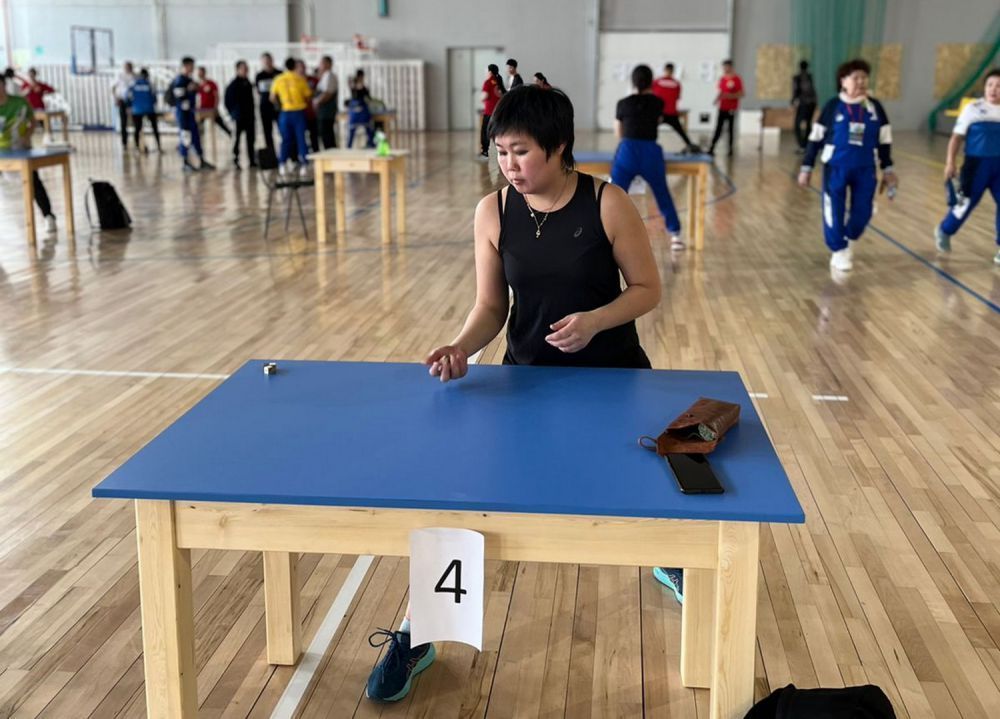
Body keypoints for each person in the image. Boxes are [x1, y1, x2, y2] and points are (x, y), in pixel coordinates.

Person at [364, 84, 661, 703]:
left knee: (643, 495)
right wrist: (460, 347)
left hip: (612, 381)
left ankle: (672, 555)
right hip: (525, 382)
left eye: (521, 152)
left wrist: (595, 321)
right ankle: (420, 634)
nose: (509, 165)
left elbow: (646, 289)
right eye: (500, 153)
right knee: (465, 503)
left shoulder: (608, 203)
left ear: (559, 146)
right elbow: (490, 306)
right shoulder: (493, 211)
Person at [799, 59, 897, 272]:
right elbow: (815, 138)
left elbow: (885, 140)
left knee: (864, 211)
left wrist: (888, 169)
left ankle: (849, 237)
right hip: (835, 168)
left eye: (864, 77)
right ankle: (839, 250)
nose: (861, 82)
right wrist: (806, 167)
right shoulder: (833, 106)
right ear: (843, 81)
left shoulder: (875, 107)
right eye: (856, 78)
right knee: (833, 211)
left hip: (866, 168)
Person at [612, 65, 684, 250]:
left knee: (613, 194)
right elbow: (657, 121)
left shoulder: (623, 103)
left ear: (633, 82)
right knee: (662, 193)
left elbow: (618, 132)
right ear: (651, 82)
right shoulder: (658, 103)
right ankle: (675, 235)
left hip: (628, 151)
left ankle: (604, 234)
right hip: (651, 152)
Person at [935, 68, 1000, 264]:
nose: (994, 89)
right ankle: (945, 230)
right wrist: (950, 162)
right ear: (984, 87)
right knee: (964, 205)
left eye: (999, 86)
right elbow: (956, 138)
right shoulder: (973, 108)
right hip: (976, 166)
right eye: (990, 85)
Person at [0, 80, 57, 232]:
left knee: (34, 182)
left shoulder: (19, 102)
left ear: (3, 85)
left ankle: (48, 216)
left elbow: (32, 120)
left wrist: (27, 136)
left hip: (19, 149)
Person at [169, 56, 214, 172]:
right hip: (183, 114)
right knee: (185, 136)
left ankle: (201, 160)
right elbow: (179, 96)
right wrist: (188, 90)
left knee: (195, 136)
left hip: (190, 113)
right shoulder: (179, 80)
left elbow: (196, 91)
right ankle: (185, 162)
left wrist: (196, 88)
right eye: (191, 66)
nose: (193, 68)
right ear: (186, 66)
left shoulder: (189, 80)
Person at [270, 57, 312, 173]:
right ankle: (304, 164)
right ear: (295, 66)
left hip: (285, 113)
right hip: (298, 113)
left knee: (285, 139)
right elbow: (308, 96)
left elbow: (272, 98)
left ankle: (282, 164)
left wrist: (280, 105)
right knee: (301, 138)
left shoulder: (278, 79)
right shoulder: (300, 79)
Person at [652, 63, 699, 153]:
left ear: (664, 70)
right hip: (671, 112)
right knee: (680, 131)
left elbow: (652, 96)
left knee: (650, 130)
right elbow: (677, 97)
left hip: (659, 113)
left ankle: (648, 145)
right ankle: (690, 145)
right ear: (673, 71)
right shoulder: (676, 84)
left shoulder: (657, 82)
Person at [225, 60, 257, 169]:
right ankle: (235, 160)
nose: (246, 71)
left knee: (251, 139)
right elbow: (228, 101)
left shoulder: (248, 83)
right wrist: (234, 114)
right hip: (238, 117)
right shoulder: (233, 85)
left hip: (250, 116)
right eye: (243, 69)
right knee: (237, 139)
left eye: (247, 69)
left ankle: (252, 160)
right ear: (238, 70)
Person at [708, 59, 743, 156]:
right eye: (724, 67)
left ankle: (730, 149)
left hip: (731, 108)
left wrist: (730, 96)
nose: (725, 69)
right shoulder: (722, 79)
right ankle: (712, 148)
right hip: (722, 107)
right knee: (718, 128)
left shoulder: (737, 79)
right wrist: (716, 99)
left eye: (726, 67)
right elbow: (721, 91)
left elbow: (741, 93)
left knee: (730, 129)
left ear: (731, 67)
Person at [129, 68, 161, 153]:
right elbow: (154, 98)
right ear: (147, 75)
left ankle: (136, 148)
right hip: (149, 109)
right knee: (155, 128)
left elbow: (128, 96)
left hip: (137, 110)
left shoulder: (134, 84)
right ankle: (158, 147)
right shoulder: (150, 84)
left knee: (137, 129)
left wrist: (131, 106)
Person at [196, 66, 232, 138]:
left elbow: (216, 96)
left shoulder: (211, 83)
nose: (199, 74)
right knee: (199, 125)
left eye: (201, 72)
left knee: (220, 122)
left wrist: (215, 106)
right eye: (198, 73)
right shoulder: (197, 85)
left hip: (211, 108)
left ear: (204, 73)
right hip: (202, 109)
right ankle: (199, 139)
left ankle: (230, 134)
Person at [255, 53, 281, 155]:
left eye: (268, 61)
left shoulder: (279, 73)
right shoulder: (259, 76)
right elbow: (259, 91)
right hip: (265, 107)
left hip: (279, 107)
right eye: (265, 61)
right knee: (267, 132)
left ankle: (289, 155)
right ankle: (271, 156)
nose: (267, 63)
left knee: (283, 131)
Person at [791, 60, 818, 153]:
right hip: (812, 103)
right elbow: (813, 91)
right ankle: (806, 145)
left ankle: (802, 145)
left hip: (804, 103)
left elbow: (795, 91)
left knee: (797, 124)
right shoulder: (810, 77)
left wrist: (793, 101)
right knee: (808, 124)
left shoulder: (797, 78)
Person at [479, 64, 505, 158]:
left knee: (485, 131)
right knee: (499, 132)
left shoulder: (488, 82)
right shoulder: (499, 81)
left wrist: (481, 98)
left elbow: (484, 96)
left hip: (489, 112)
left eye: (486, 71)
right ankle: (503, 151)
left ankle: (485, 151)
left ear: (490, 72)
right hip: (498, 112)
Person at [314, 55, 339, 149]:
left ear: (328, 64)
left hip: (327, 111)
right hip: (323, 111)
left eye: (322, 63)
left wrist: (317, 102)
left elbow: (328, 93)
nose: (320, 65)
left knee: (327, 135)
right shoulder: (325, 75)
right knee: (325, 135)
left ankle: (331, 154)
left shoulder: (329, 75)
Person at [111, 61, 136, 150]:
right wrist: (115, 98)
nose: (128, 69)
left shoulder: (135, 77)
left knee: (136, 122)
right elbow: (113, 87)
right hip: (122, 100)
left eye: (129, 67)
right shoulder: (120, 76)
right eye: (126, 67)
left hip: (132, 101)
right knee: (123, 122)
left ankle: (137, 142)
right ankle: (124, 142)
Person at [297, 60, 320, 153]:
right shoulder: (293, 81)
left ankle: (316, 154)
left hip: (311, 113)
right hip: (299, 114)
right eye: (299, 67)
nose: (302, 69)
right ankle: (302, 156)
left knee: (314, 136)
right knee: (300, 137)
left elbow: (319, 92)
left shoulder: (313, 80)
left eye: (303, 66)